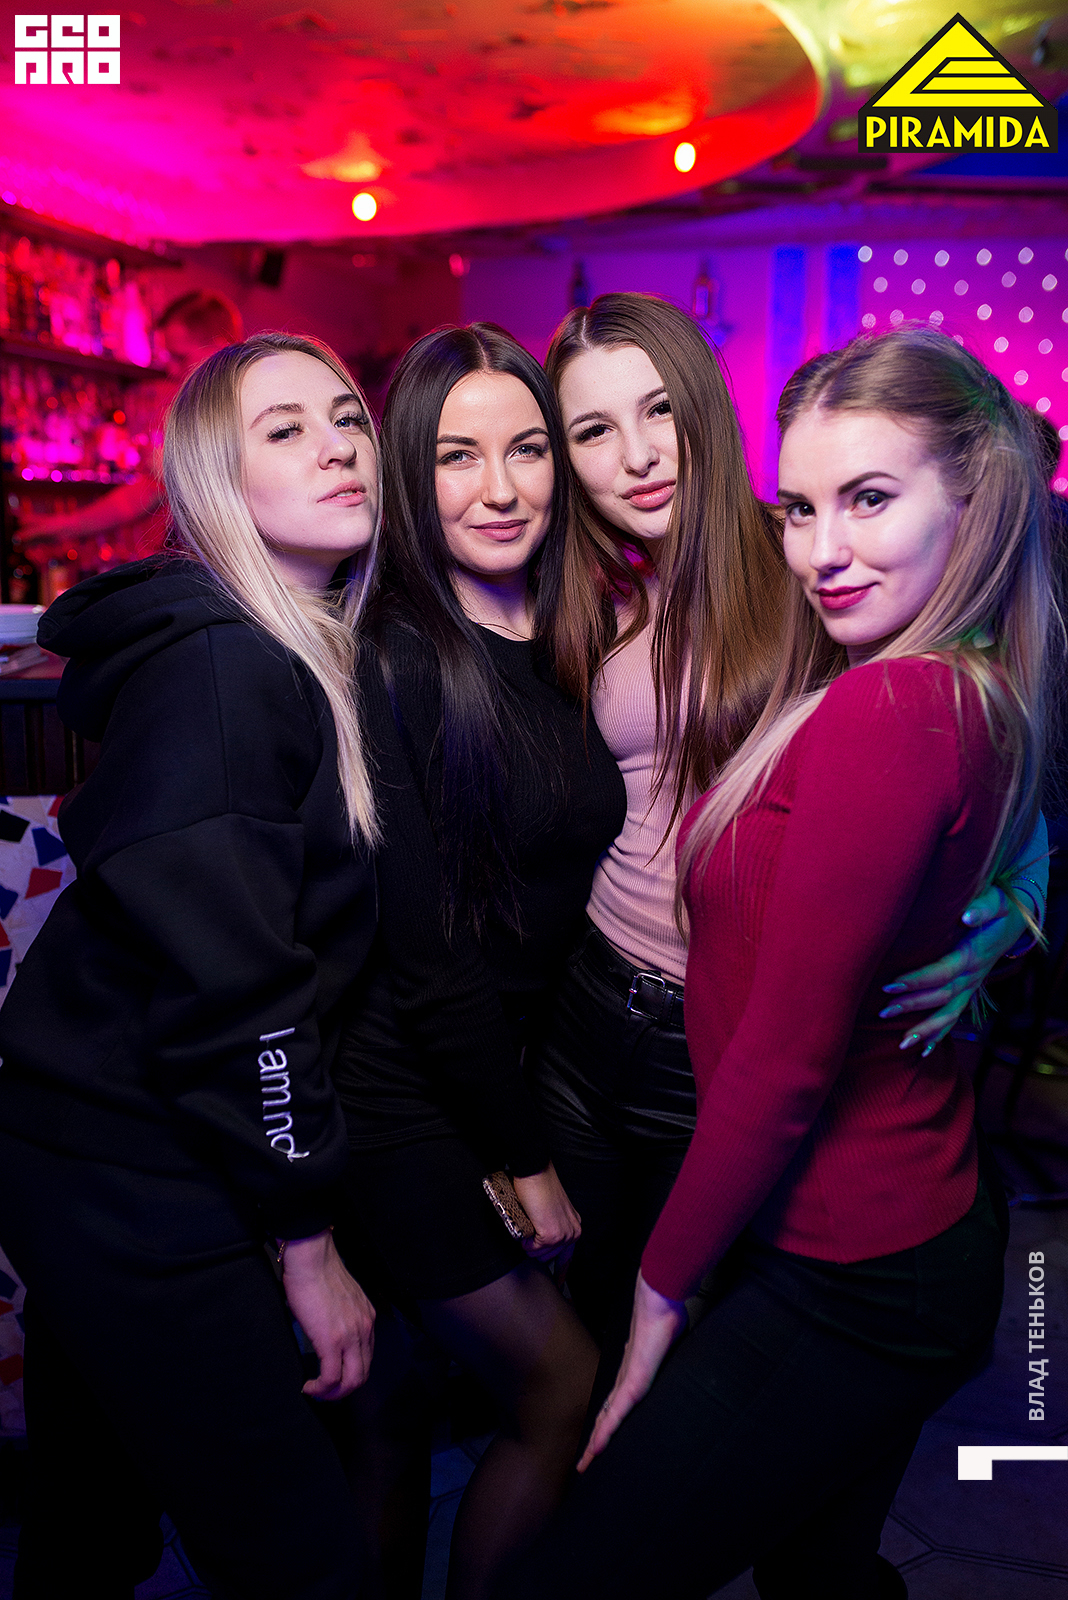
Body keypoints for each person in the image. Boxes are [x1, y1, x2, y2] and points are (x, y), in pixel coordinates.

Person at [504, 325, 1054, 1600]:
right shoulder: (904, 661)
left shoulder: (881, 679)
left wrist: (1014, 904)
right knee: (818, 1570)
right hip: (859, 1203)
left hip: (846, 1234)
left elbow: (790, 1057)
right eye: (802, 508)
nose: (823, 548)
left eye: (868, 499)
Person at [0, 332, 382, 1600]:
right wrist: (309, 1243)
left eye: (346, 418)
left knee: (89, 1521)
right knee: (302, 1555)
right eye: (285, 430)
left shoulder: (289, 645)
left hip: (88, 1140)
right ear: (218, 477)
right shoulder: (227, 664)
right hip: (129, 1167)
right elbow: (241, 992)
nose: (336, 446)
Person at [332, 323, 626, 1600]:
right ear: (410, 471)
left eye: (528, 448)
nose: (500, 488)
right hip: (399, 1095)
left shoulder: (579, 629)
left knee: (391, 1414)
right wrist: (525, 1158)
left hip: (499, 1068)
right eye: (458, 456)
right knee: (560, 1383)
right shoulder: (395, 654)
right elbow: (430, 955)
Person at [17, 290, 244, 566]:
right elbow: (148, 491)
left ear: (220, 349)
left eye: (180, 357)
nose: (173, 371)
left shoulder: (251, 408)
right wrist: (66, 526)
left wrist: (175, 472)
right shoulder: (200, 412)